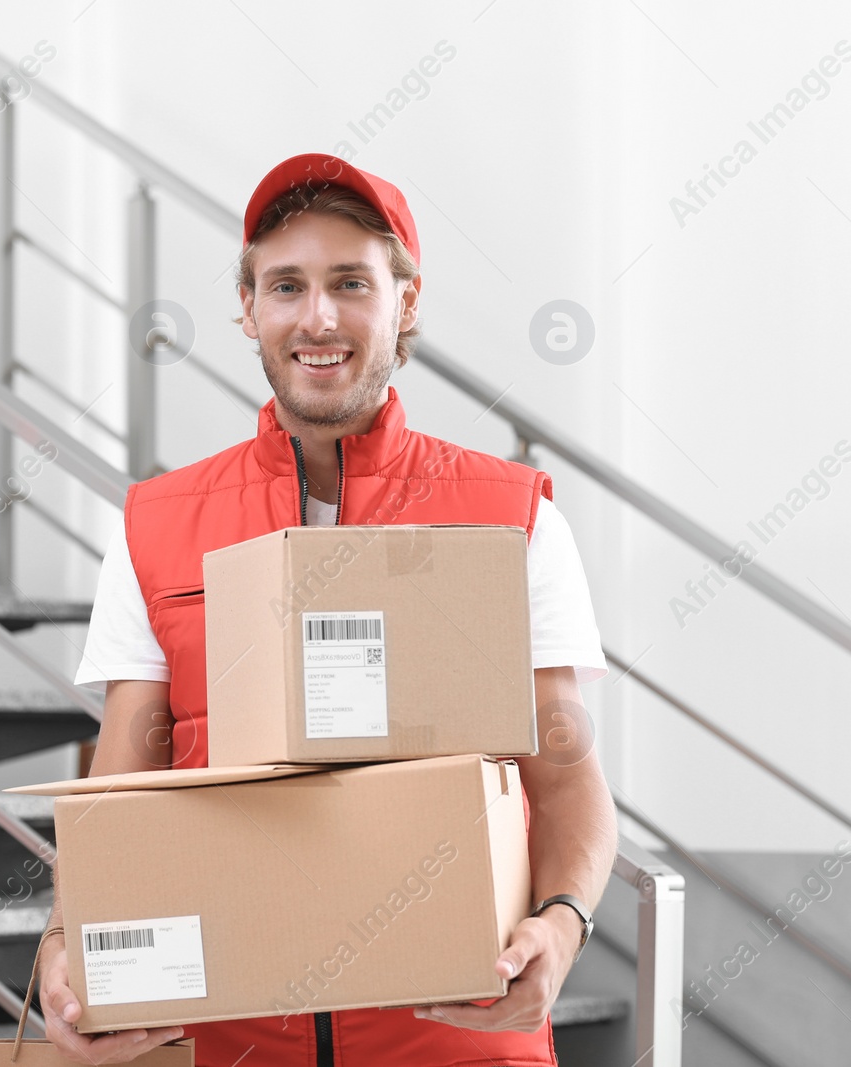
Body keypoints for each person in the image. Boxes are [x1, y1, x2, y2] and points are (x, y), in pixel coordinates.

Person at [35, 152, 618, 1066]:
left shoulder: (511, 518)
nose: (318, 318)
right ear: (248, 306)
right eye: (286, 286)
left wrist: (565, 922)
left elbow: (568, 774)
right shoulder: (156, 525)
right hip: (233, 1040)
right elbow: (122, 789)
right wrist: (63, 942)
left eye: (351, 282)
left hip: (455, 1041)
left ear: (406, 304)